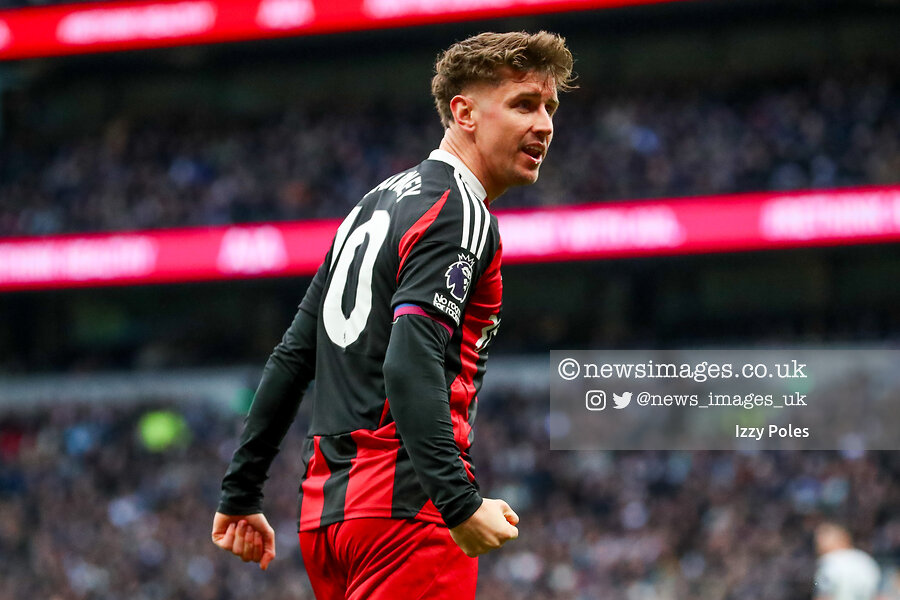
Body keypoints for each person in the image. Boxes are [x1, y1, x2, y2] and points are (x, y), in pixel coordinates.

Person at [211, 30, 574, 599]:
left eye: (550, 107)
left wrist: (241, 491)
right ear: (465, 113)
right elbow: (410, 359)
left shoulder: (370, 205)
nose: (545, 124)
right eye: (524, 104)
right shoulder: (459, 210)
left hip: (327, 521)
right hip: (405, 515)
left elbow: (293, 357)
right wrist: (458, 503)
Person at [814, 522, 882, 600]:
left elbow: (824, 596)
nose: (818, 547)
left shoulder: (829, 562)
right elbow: (878, 595)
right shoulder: (866, 560)